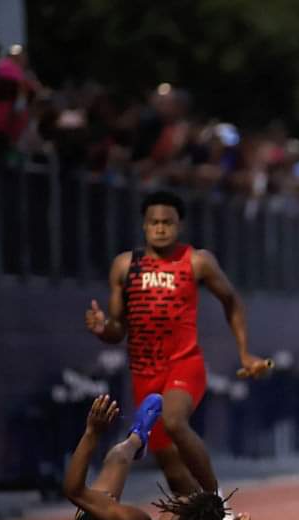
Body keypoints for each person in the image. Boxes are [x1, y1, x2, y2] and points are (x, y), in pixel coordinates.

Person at [84, 190, 270, 498]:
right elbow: (118, 330)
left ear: (178, 225)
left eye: (167, 222)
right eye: (153, 222)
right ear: (144, 226)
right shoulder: (124, 266)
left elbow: (232, 301)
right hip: (144, 371)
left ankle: (215, 499)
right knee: (169, 464)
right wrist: (102, 328)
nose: (160, 228)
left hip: (185, 363)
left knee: (173, 420)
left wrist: (245, 353)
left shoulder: (197, 261)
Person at [60, 393, 251, 520]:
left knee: (118, 462)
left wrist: (91, 433)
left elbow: (74, 491)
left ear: (174, 507)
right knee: (111, 515)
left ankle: (136, 438)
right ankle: (137, 439)